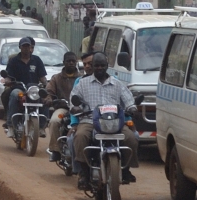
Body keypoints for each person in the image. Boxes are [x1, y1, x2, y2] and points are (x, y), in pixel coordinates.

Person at [52, 53, 138, 184]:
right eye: (96, 65)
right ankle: (84, 172)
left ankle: (125, 169)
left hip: (114, 123)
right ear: (92, 66)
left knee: (131, 138)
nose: (99, 68)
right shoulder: (82, 83)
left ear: (107, 66)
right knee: (80, 137)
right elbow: (74, 101)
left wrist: (131, 107)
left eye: (102, 65)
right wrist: (76, 108)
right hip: (89, 120)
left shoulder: (117, 84)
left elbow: (128, 100)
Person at [1, 37, 48, 129]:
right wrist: (7, 81)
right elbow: (8, 77)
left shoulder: (37, 60)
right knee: (14, 95)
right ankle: (10, 124)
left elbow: (42, 77)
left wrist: (46, 84)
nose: (26, 48)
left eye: (28, 46)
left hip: (34, 89)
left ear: (31, 47)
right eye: (24, 46)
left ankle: (43, 126)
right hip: (19, 88)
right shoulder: (14, 61)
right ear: (20, 47)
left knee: (44, 97)